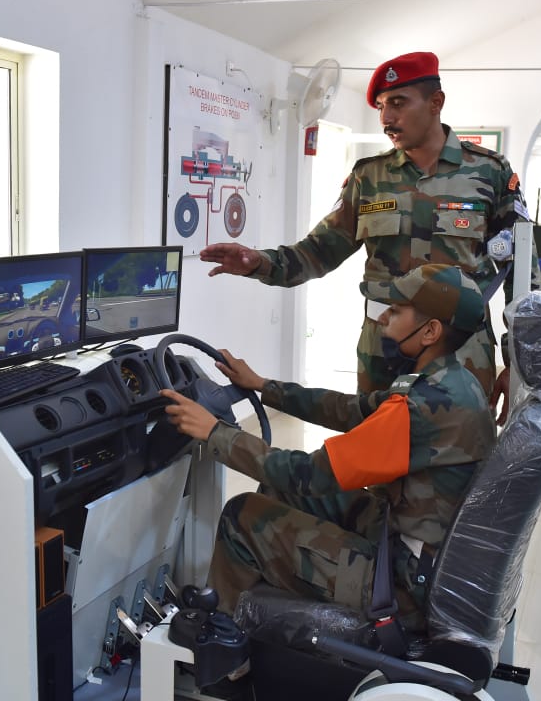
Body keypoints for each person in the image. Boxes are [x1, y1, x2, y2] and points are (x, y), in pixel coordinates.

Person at [199, 51, 537, 421]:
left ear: (435, 103)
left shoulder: (489, 172)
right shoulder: (369, 177)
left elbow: (522, 274)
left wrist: (518, 362)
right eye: (380, 106)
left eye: (397, 103)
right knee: (378, 452)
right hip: (385, 349)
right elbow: (318, 252)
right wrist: (259, 262)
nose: (386, 118)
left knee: (462, 461)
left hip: (462, 349)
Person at [158, 264, 496, 626]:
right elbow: (351, 410)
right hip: (418, 547)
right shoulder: (454, 382)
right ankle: (263, 621)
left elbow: (307, 475)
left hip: (403, 586)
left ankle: (221, 650)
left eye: (396, 311)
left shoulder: (419, 407)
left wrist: (215, 432)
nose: (382, 318)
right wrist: (263, 385)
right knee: (274, 491)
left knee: (241, 517)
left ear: (430, 331)